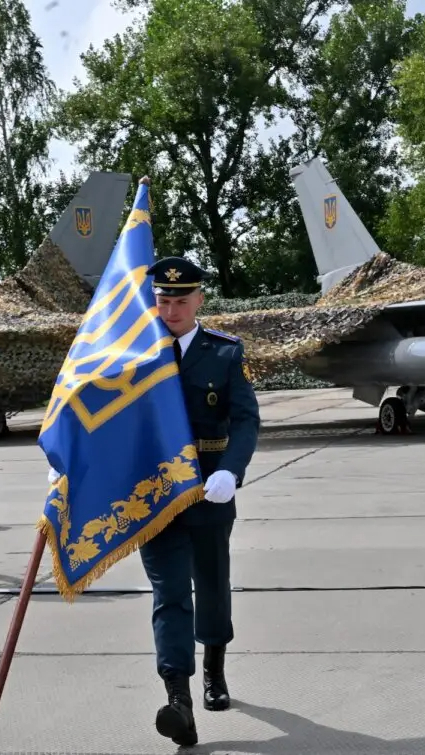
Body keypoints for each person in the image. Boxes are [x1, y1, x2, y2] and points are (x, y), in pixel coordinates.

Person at [140, 255, 260, 747]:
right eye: (163, 301)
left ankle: (214, 668)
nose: (170, 311)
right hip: (154, 496)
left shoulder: (225, 353)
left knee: (211, 584)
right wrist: (71, 461)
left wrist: (232, 469)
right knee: (169, 594)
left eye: (180, 301)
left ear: (199, 301)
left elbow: (247, 420)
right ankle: (178, 699)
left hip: (210, 489)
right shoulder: (135, 354)